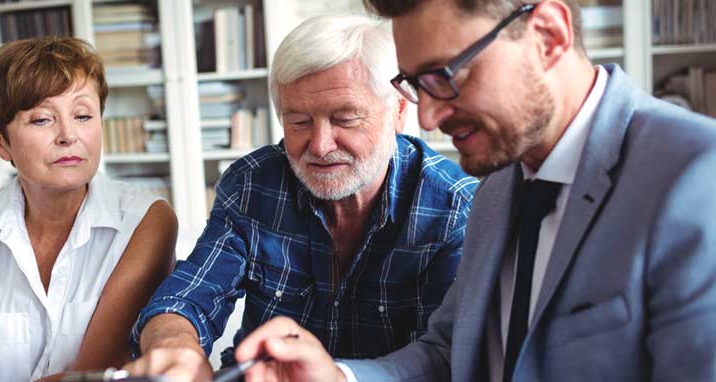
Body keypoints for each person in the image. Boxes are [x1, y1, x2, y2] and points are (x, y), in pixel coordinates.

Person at [231, 1, 716, 381]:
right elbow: (449, 354)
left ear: (548, 36)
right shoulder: (497, 190)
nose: (426, 118)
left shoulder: (695, 175)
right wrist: (339, 377)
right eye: (416, 84)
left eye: (447, 76)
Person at [123, 15, 478, 380]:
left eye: (345, 119)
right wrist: (174, 344)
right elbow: (191, 294)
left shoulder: (455, 208)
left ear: (399, 112)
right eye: (298, 122)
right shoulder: (252, 184)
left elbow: (443, 360)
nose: (320, 146)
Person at [0, 37, 178, 381]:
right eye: (42, 120)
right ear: (1, 142)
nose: (69, 135)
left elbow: (88, 373)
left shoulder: (147, 221)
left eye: (83, 115)